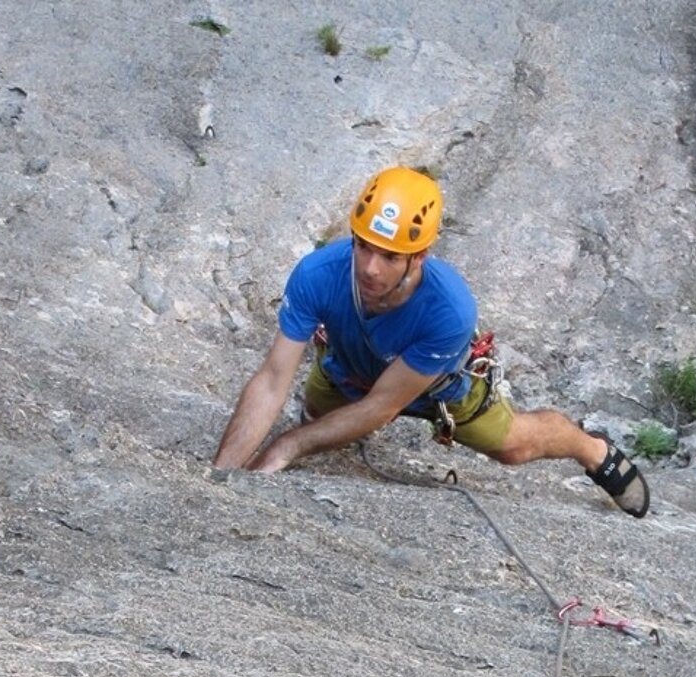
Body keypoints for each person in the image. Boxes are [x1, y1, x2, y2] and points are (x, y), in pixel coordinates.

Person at [213, 166, 649, 517]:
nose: (369, 268)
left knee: (514, 447)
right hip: (348, 369)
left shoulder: (450, 309)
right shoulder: (317, 274)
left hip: (436, 389)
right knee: (317, 415)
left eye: (389, 257)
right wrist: (220, 479)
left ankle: (592, 450)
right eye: (364, 247)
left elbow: (382, 407)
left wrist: (287, 444)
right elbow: (273, 380)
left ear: (419, 257)